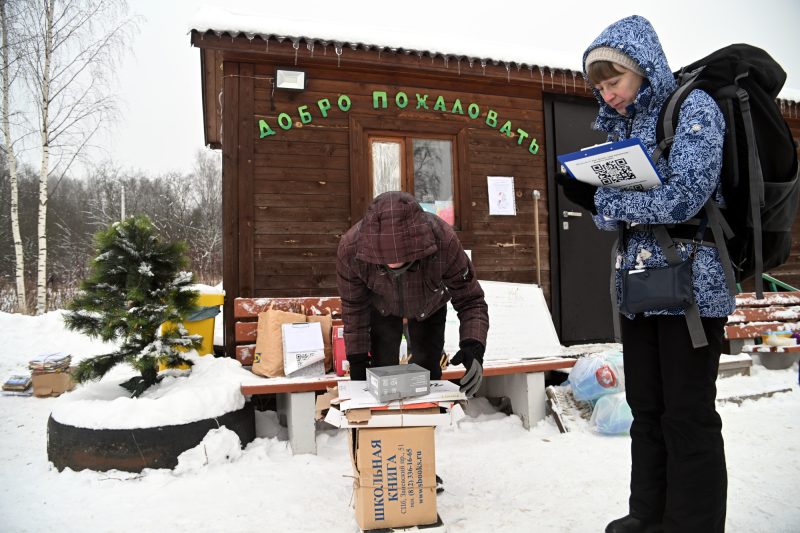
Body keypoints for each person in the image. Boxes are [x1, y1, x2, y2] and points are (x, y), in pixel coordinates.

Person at [559, 15, 734, 533]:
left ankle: (692, 523)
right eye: (601, 87)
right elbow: (624, 210)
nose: (608, 95)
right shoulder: (625, 127)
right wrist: (591, 195)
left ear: (642, 69)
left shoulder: (693, 110)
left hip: (692, 290)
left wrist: (602, 198)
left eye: (614, 82)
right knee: (647, 409)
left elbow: (686, 195)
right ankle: (648, 514)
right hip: (639, 286)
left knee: (688, 415)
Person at [336, 191, 489, 398]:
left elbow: (471, 300)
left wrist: (473, 345)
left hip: (429, 304)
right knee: (381, 372)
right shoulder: (351, 249)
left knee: (427, 373)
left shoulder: (443, 241)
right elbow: (354, 306)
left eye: (403, 262)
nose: (393, 266)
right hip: (381, 306)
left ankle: (425, 426)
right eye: (385, 263)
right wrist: (358, 359)